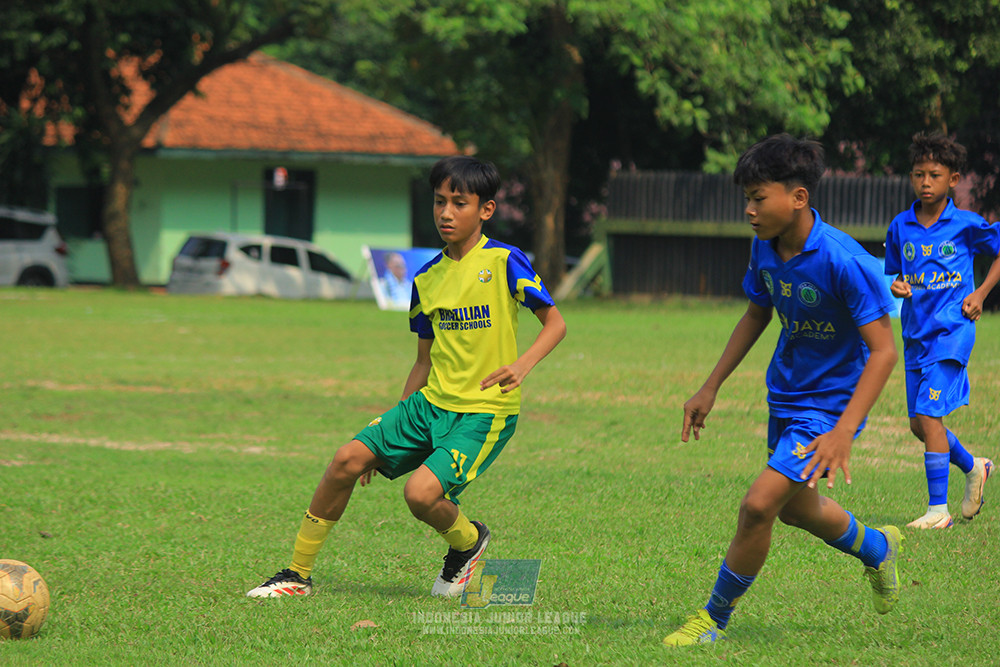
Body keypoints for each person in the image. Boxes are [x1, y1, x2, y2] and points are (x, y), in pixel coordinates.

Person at [247, 155, 566, 598]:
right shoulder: (426, 278)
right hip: (429, 404)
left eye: (459, 203)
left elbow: (555, 323)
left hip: (483, 412)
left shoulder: (505, 260)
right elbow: (423, 361)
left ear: (486, 210)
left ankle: (469, 543)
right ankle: (296, 575)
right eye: (439, 202)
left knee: (419, 495)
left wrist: (522, 365)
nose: (446, 213)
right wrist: (386, 435)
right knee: (346, 459)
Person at [664, 134, 902, 647]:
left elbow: (884, 351)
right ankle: (879, 548)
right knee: (796, 508)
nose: (748, 210)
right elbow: (757, 312)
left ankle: (714, 618)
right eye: (746, 199)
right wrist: (711, 387)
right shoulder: (764, 248)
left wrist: (843, 431)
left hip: (832, 405)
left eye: (757, 198)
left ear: (798, 197)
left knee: (758, 505)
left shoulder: (843, 260)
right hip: (787, 396)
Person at [884, 132, 999, 529]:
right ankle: (975, 466)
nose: (925, 182)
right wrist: (898, 285)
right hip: (916, 334)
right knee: (919, 424)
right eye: (918, 174)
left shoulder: (966, 224)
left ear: (953, 179)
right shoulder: (900, 226)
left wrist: (981, 292)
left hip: (953, 332)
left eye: (934, 174)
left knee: (930, 416)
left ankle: (937, 512)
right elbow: (899, 275)